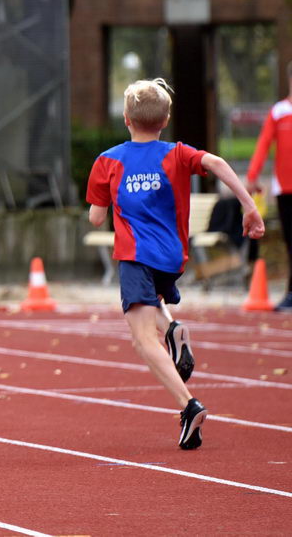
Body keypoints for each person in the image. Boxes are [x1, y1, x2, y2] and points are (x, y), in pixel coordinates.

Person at [86, 78, 264, 450]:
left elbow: (96, 220)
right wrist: (249, 205)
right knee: (154, 311)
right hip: (172, 257)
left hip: (136, 256)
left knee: (141, 339)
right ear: (165, 119)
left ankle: (188, 405)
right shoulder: (177, 153)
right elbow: (214, 162)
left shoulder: (108, 161)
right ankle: (173, 329)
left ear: (125, 118)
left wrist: (109, 202)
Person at [247, 61, 292, 312]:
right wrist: (252, 176)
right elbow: (264, 143)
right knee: (290, 241)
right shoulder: (279, 111)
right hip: (285, 188)